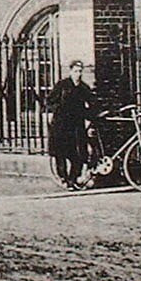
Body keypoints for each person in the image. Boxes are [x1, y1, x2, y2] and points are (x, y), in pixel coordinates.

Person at [47, 59, 95, 189]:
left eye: (80, 71)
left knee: (78, 153)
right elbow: (50, 101)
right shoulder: (62, 85)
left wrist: (91, 117)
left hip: (76, 125)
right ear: (71, 71)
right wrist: (57, 111)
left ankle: (73, 178)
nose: (78, 74)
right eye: (75, 71)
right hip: (61, 124)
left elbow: (92, 103)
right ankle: (64, 178)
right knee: (60, 153)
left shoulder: (83, 88)